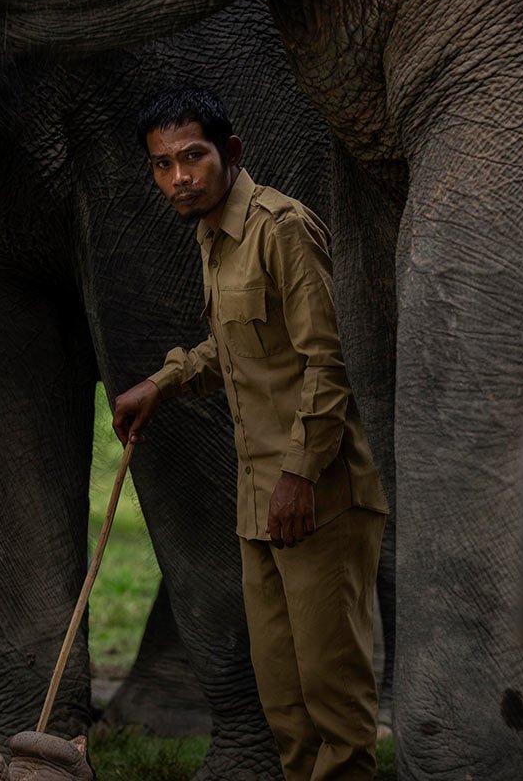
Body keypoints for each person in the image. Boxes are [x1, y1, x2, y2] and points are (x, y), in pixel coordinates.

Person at [112, 87, 389, 781]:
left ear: (230, 153)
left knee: (334, 696)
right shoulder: (212, 234)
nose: (179, 177)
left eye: (193, 157)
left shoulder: (281, 228)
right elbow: (235, 348)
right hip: (258, 500)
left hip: (318, 494)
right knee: (284, 702)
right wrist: (164, 382)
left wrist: (300, 475)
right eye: (163, 164)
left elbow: (328, 360)